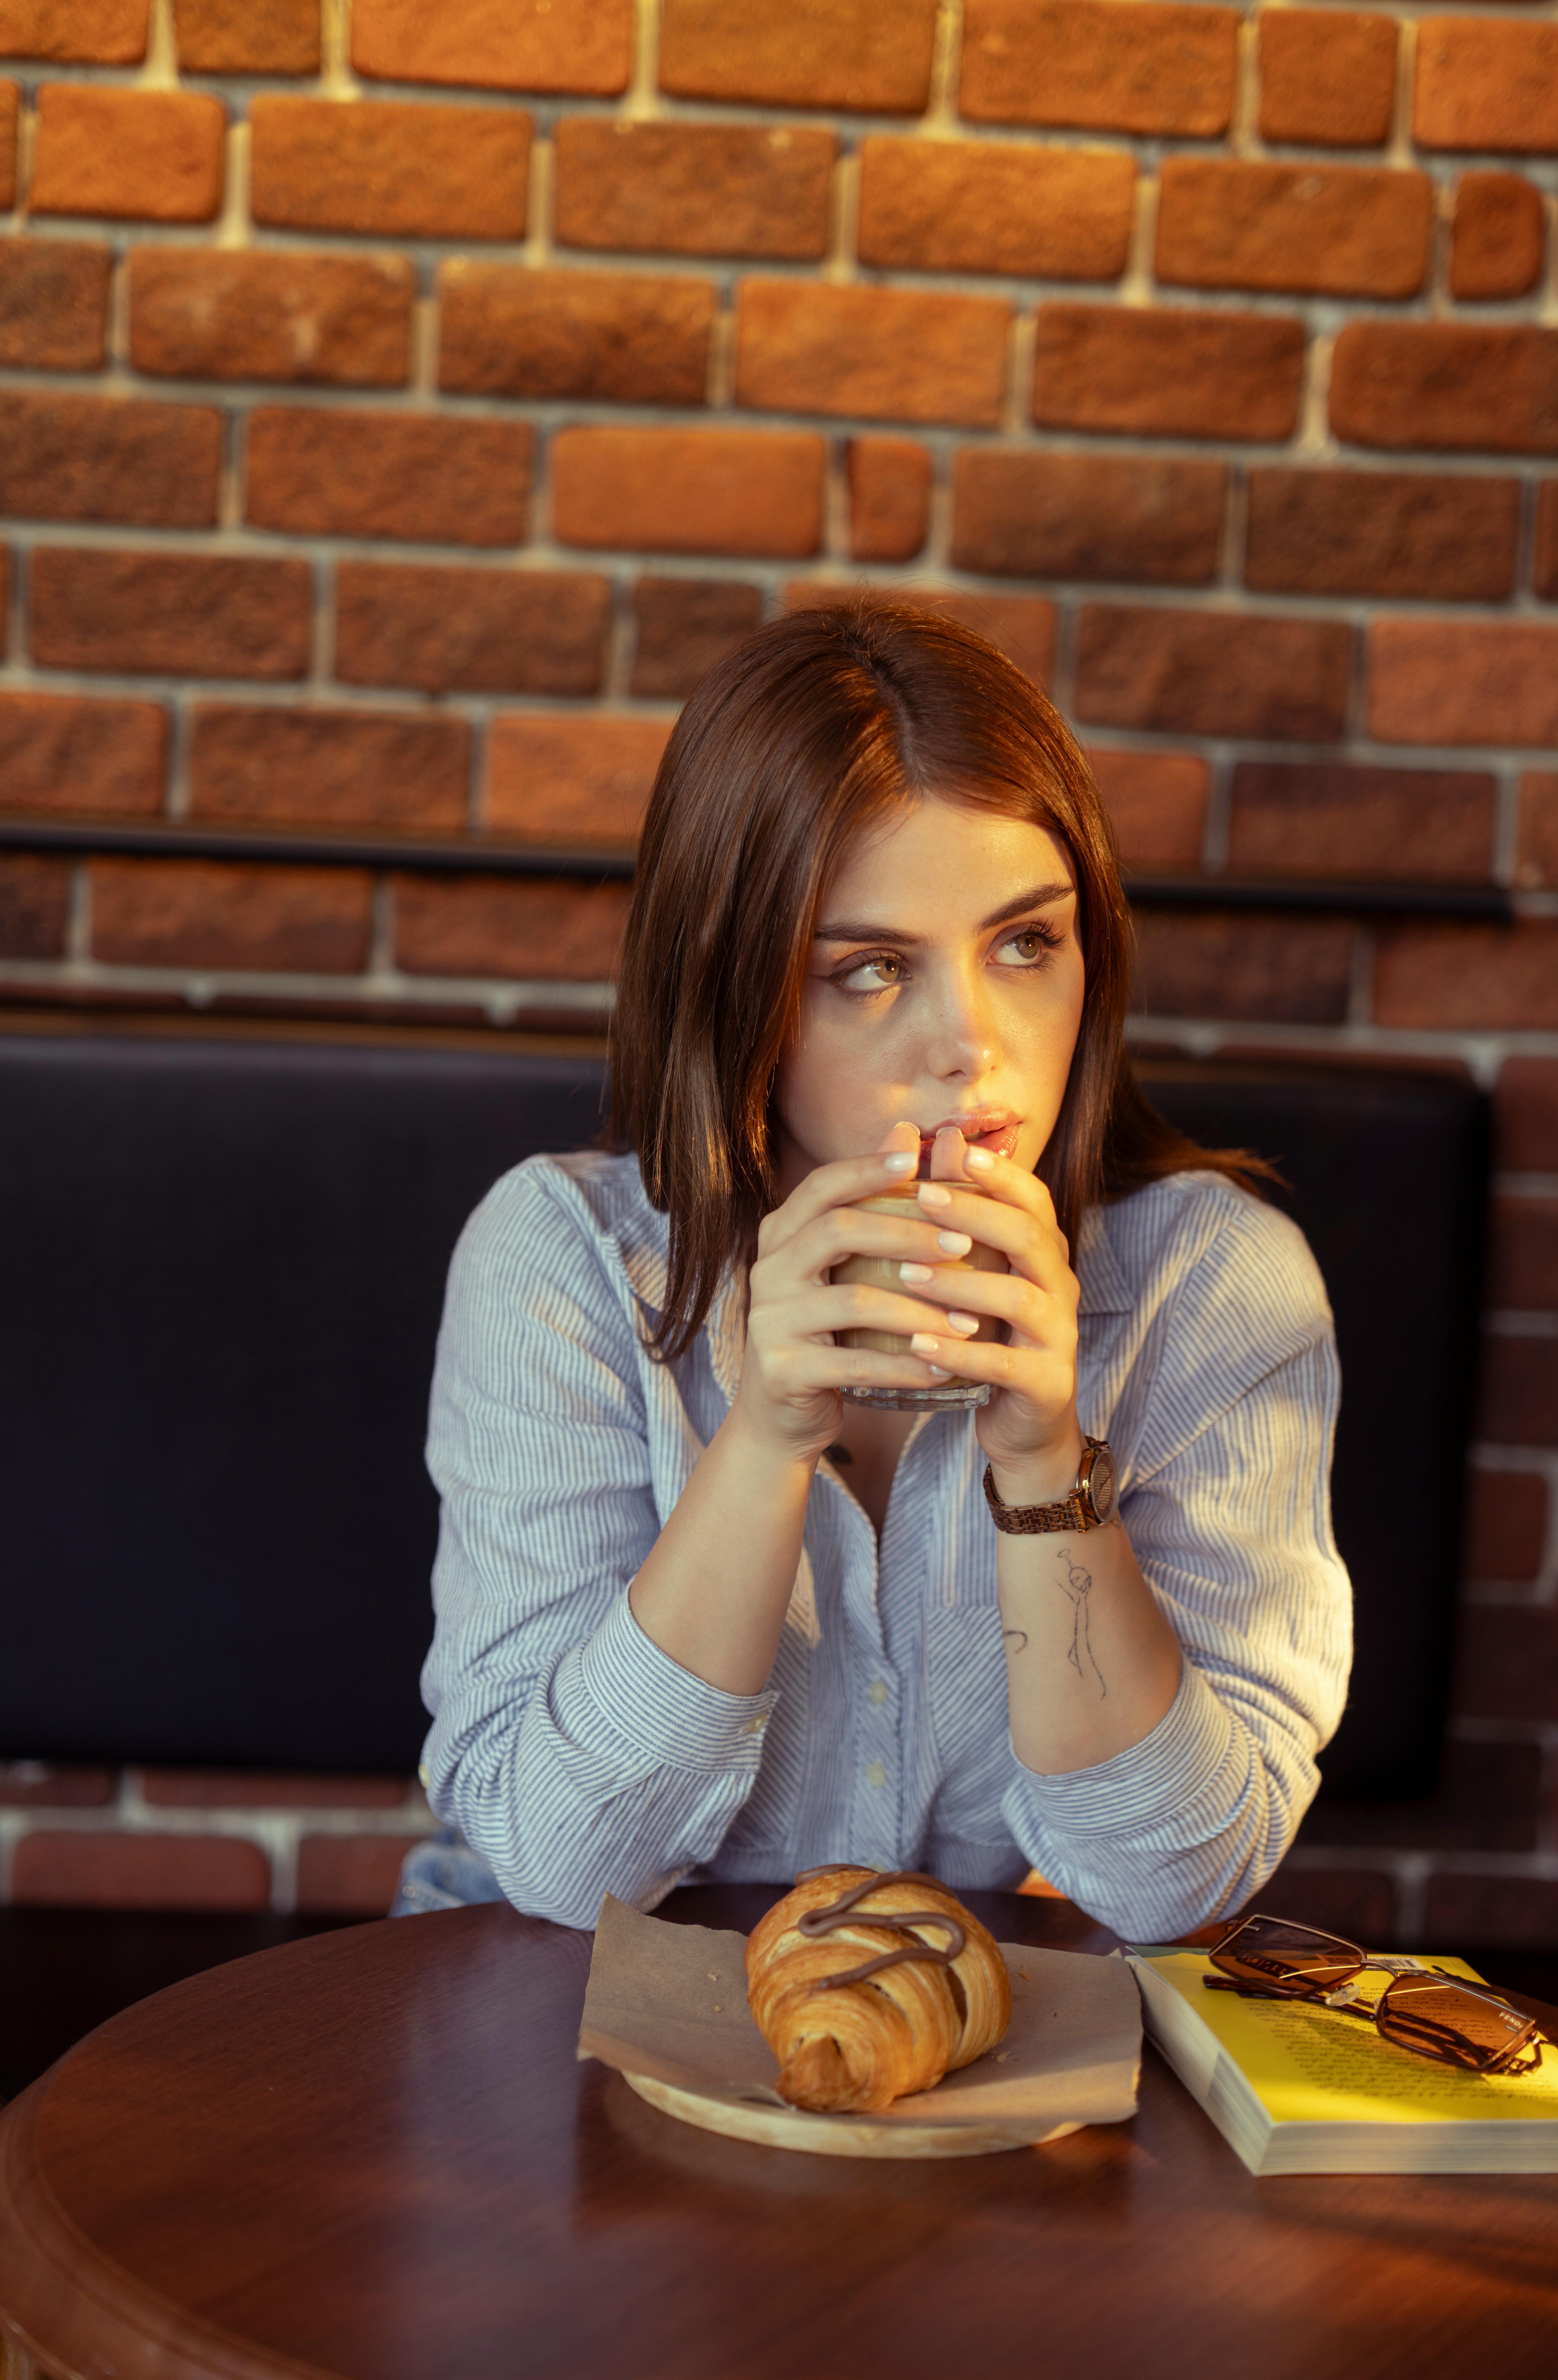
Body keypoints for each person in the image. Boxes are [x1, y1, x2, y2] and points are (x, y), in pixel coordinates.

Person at [395, 602, 1351, 1941]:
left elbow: (1175, 1882)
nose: (974, 1043)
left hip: (973, 2016)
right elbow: (559, 1862)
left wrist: (1047, 1469)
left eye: (1027, 942)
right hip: (562, 1986)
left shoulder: (1216, 1287)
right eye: (872, 968)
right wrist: (765, 1437)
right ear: (736, 996)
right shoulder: (569, 1262)